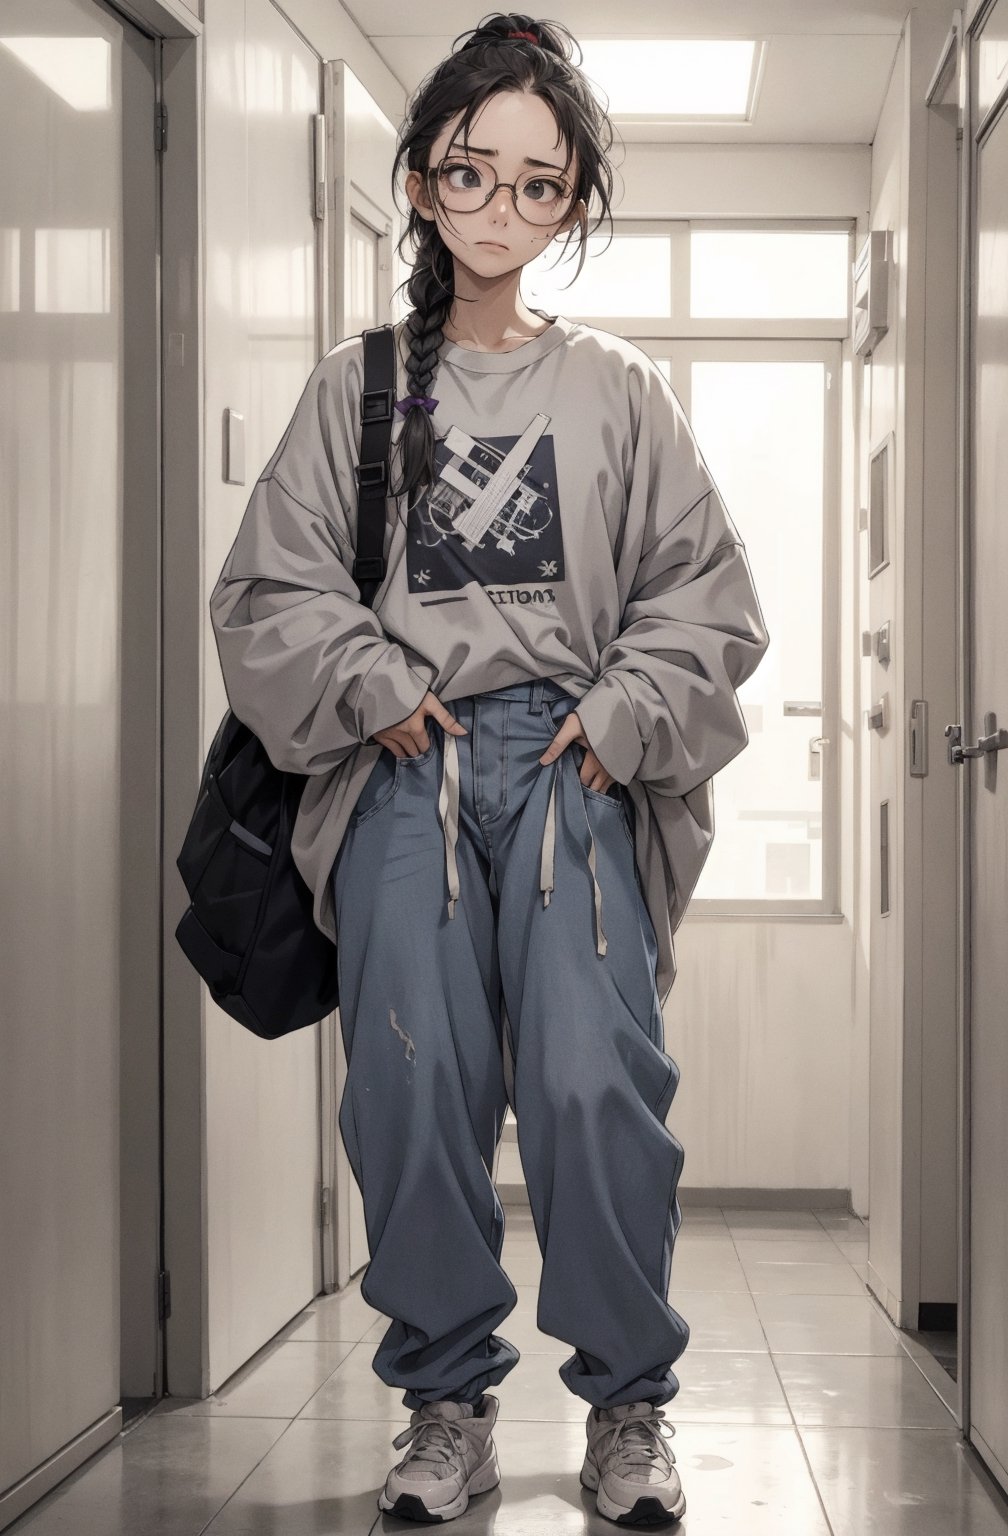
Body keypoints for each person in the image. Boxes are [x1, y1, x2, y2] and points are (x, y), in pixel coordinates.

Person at [210, 10, 770, 1527]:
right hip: (406, 766)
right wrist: (376, 682)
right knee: (409, 1078)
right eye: (474, 174)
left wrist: (622, 715)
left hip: (576, 766)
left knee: (597, 1086)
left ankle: (628, 1411)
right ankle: (444, 1401)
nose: (504, 209)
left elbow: (708, 600)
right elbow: (266, 595)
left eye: (540, 185)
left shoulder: (621, 395)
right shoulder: (357, 389)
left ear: (574, 204)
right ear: (420, 180)